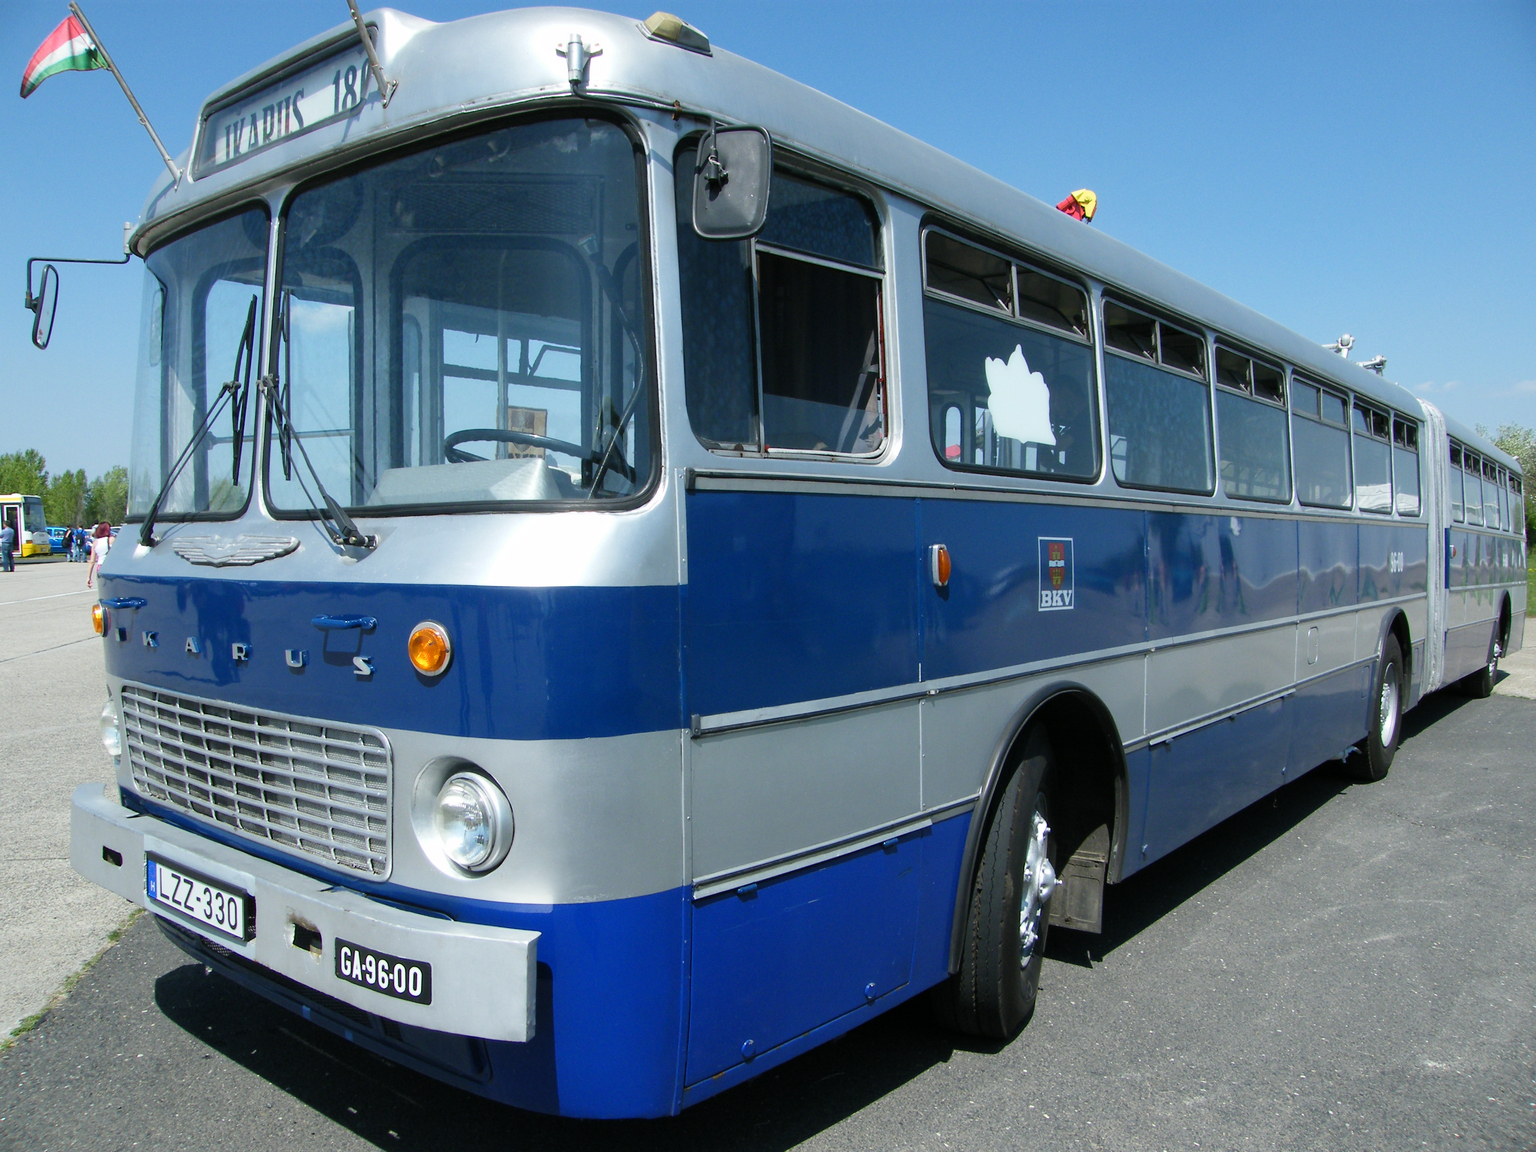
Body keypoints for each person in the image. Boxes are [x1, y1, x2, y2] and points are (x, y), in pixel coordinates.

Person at [85, 521, 111, 589]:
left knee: (103, 588)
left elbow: (92, 561)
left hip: (100, 567)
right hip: (109, 566)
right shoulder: (111, 540)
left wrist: (88, 577)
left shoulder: (95, 543)